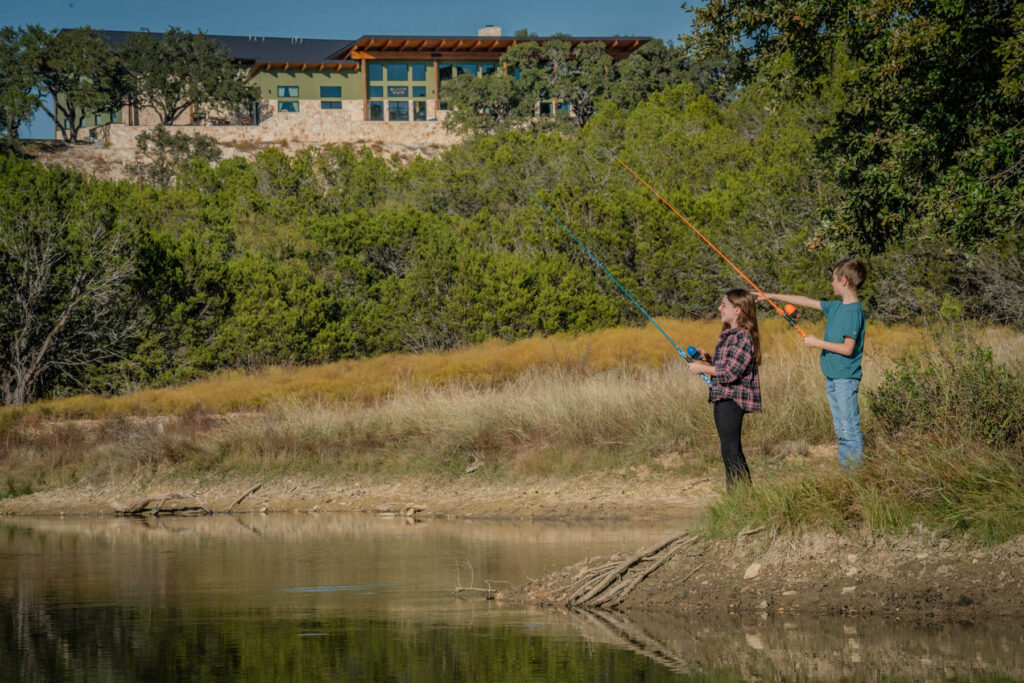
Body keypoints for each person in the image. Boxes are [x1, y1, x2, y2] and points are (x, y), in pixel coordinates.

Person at [761, 257, 867, 470]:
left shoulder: (854, 311)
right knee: (841, 429)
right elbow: (805, 300)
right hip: (833, 377)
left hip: (845, 378)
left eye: (834, 280)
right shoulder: (836, 307)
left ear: (844, 281)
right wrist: (770, 296)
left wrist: (818, 343)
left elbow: (847, 348)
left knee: (849, 429)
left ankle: (855, 477)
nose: (832, 284)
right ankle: (848, 472)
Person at [688, 289, 761, 490]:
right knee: (728, 450)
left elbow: (730, 372)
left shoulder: (743, 337)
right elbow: (728, 364)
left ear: (737, 310)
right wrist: (709, 359)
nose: (719, 308)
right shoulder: (729, 335)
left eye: (724, 305)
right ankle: (737, 497)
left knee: (731, 450)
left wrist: (702, 369)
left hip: (732, 399)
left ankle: (743, 498)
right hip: (722, 397)